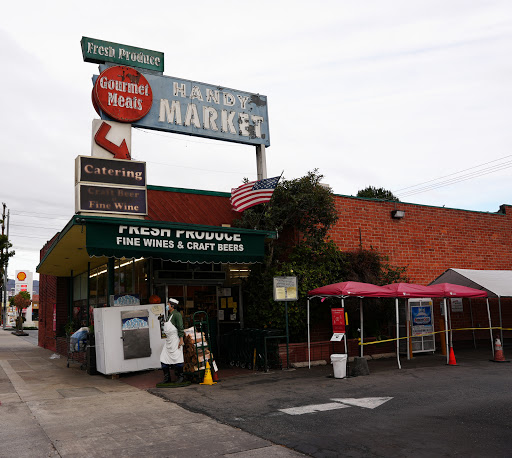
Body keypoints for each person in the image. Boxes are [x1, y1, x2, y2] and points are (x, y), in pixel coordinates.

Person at [160, 298, 185, 383]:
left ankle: (181, 377)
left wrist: (181, 340)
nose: (167, 306)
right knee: (163, 359)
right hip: (168, 341)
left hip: (175, 340)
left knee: (177, 359)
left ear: (172, 306)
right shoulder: (169, 315)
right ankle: (167, 378)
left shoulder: (177, 315)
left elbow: (181, 328)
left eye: (168, 304)